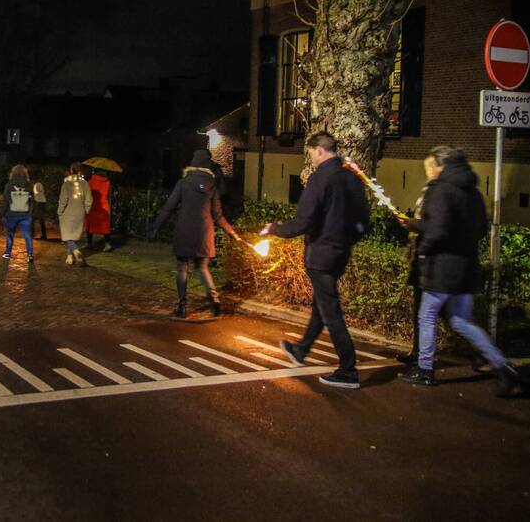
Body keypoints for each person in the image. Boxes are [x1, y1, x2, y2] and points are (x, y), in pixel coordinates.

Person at [399, 147, 526, 396]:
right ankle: (503, 366)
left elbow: (436, 230)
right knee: (461, 321)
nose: (431, 170)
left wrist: (423, 250)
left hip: (440, 269)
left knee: (427, 317)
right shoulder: (474, 193)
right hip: (466, 268)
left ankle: (425, 370)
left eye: (433, 165)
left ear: (441, 166)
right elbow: (480, 229)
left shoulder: (439, 190)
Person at [261, 131, 370, 390]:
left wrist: (275, 229)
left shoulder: (320, 178)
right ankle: (301, 350)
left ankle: (348, 370)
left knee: (330, 310)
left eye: (311, 154)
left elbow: (304, 220)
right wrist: (347, 241)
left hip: (321, 254)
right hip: (340, 252)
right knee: (322, 304)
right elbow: (364, 219)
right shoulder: (351, 177)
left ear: (319, 150)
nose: (311, 159)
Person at [151, 150, 242, 318]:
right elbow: (218, 215)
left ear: (193, 164)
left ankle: (182, 306)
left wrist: (156, 227)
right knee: (202, 268)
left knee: (182, 268)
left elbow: (168, 207)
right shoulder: (212, 185)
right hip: (204, 233)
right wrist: (232, 232)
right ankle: (214, 300)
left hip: (184, 231)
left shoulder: (183, 183)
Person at [57, 163, 93, 266]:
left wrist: (59, 211)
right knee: (72, 235)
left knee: (67, 235)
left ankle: (76, 252)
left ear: (71, 171)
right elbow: (89, 199)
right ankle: (70, 257)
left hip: (67, 212)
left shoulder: (66, 184)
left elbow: (63, 200)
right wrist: (86, 210)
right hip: (80, 212)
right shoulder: (85, 183)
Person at [0, 164, 34, 262]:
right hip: (25, 214)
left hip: (12, 214)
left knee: (10, 234)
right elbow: (32, 201)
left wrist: (2, 213)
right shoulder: (29, 185)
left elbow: (5, 201)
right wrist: (30, 212)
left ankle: (7, 252)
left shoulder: (9, 185)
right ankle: (30, 255)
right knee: (27, 235)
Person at [86, 168, 113, 252]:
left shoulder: (90, 182)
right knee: (105, 226)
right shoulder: (108, 183)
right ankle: (107, 244)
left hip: (93, 206)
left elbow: (87, 194)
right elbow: (109, 195)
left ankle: (89, 243)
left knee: (90, 225)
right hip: (104, 206)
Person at [31, 174, 48, 241]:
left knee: (32, 218)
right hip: (42, 203)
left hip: (38, 203)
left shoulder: (36, 185)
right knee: (41, 220)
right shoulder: (40, 185)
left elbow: (36, 193)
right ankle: (44, 235)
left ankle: (32, 234)